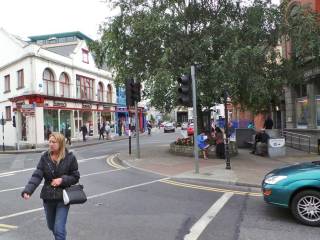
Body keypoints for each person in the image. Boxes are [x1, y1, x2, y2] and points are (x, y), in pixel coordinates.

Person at [21, 133, 80, 240]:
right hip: (48, 198)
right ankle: (61, 234)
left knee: (59, 229)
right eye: (50, 141)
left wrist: (62, 180)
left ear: (61, 143)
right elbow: (37, 175)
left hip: (63, 198)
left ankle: (60, 235)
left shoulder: (70, 157)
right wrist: (28, 190)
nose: (51, 144)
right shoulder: (45, 157)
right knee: (51, 226)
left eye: (54, 142)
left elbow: (75, 177)